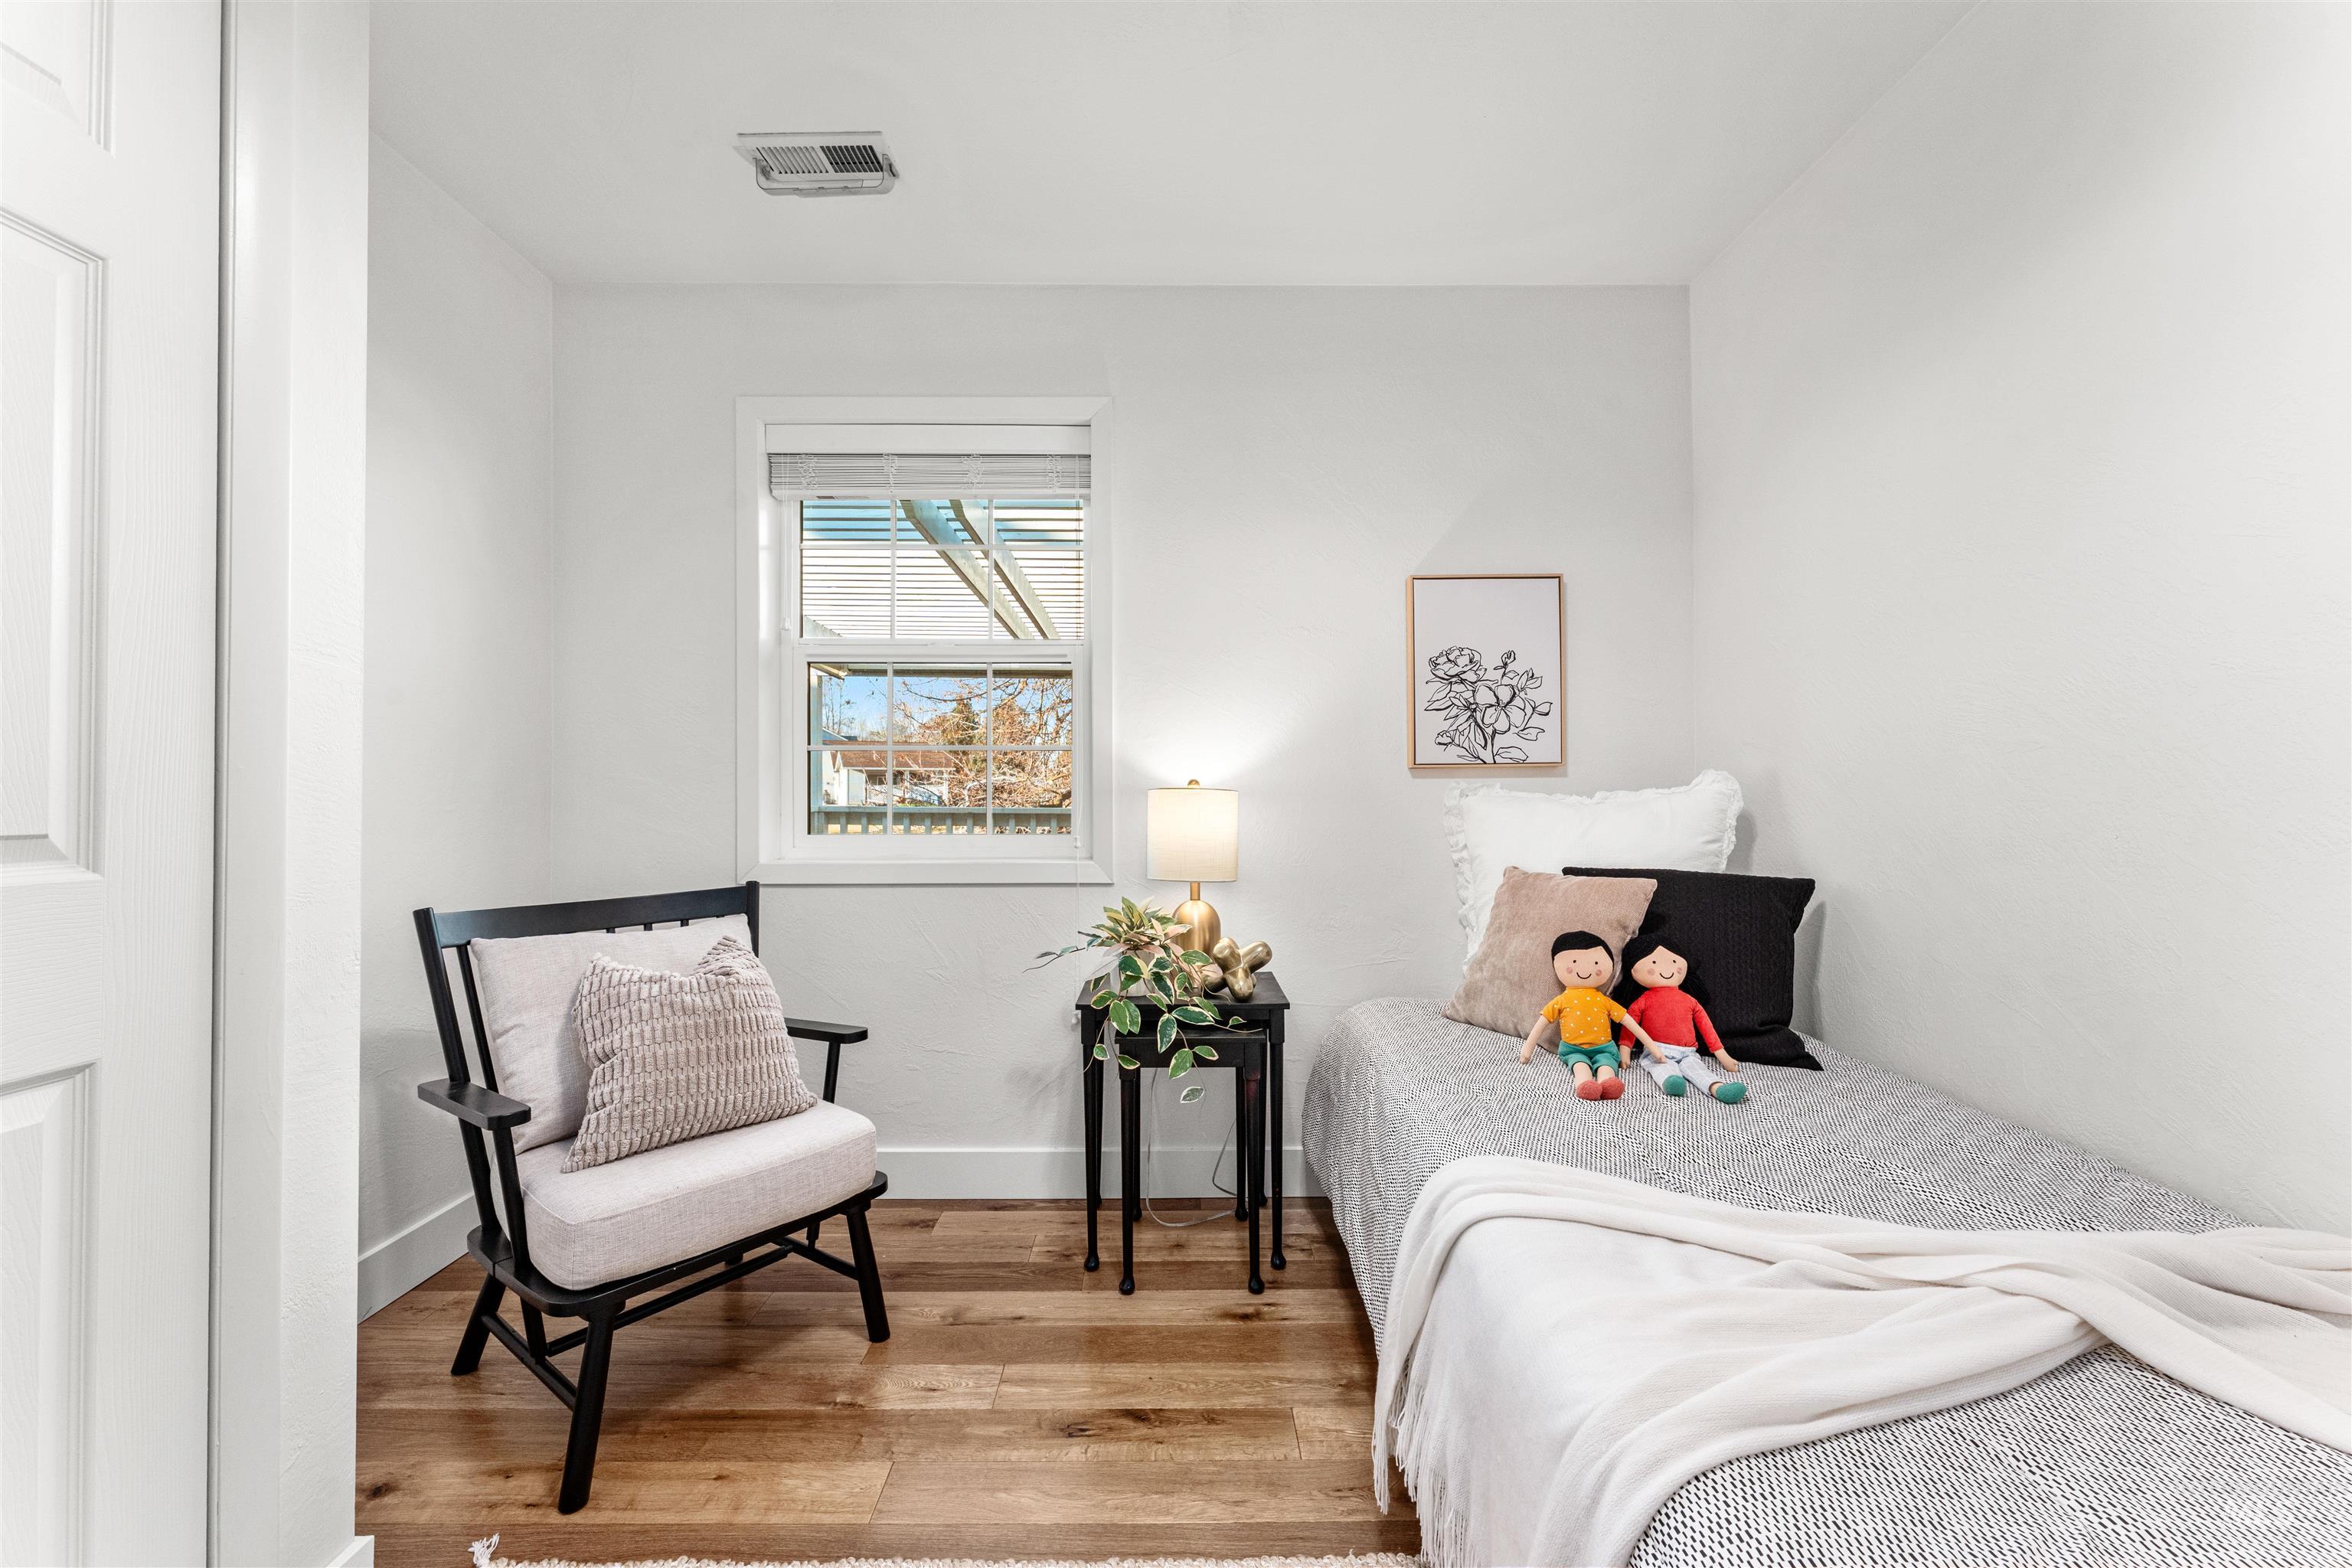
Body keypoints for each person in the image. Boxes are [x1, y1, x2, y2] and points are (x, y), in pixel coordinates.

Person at [1520, 930, 1671, 1101]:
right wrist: (1527, 1050)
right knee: (1580, 1065)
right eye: (1575, 962)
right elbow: (1542, 1022)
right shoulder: (1561, 1001)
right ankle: (1584, 1085)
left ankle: (1608, 1082)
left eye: (1596, 962)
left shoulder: (1604, 1001)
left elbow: (1630, 1022)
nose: (1584, 969)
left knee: (1606, 1064)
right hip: (1573, 1049)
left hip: (1604, 1048)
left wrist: (1654, 1049)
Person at [1619, 929, 1747, 1104]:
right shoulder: (1643, 1001)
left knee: (1697, 1069)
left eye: (1673, 961)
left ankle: (1718, 1088)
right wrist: (1625, 1050)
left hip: (1688, 1052)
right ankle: (1670, 1083)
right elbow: (1630, 1025)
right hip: (1657, 1049)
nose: (1666, 968)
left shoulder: (1690, 1001)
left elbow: (1706, 1027)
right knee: (1662, 1068)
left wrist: (1722, 1055)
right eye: (1654, 962)